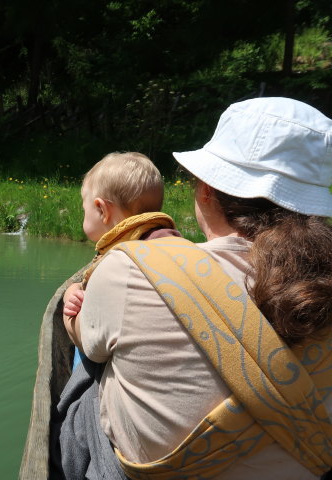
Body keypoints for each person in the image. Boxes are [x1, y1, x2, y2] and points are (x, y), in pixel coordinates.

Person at [54, 97, 332, 480]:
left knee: (90, 366)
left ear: (205, 191)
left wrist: (73, 323)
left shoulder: (132, 268)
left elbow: (89, 342)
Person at [61, 152, 180, 369]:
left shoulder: (116, 264)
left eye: (84, 208)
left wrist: (69, 296)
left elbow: (88, 342)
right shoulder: (171, 243)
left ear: (101, 210)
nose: (83, 214)